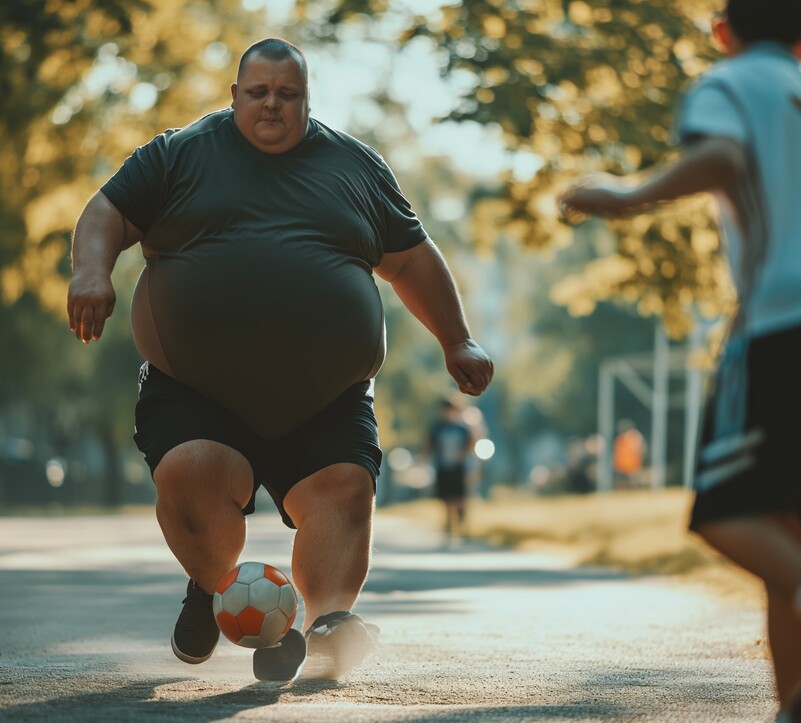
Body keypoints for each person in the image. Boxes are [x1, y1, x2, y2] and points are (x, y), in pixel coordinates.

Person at [67, 37, 494, 682]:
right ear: (234, 95)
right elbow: (107, 211)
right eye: (259, 92)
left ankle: (325, 625)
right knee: (189, 473)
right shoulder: (178, 154)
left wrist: (457, 339)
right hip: (197, 390)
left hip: (326, 396)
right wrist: (90, 273)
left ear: (306, 100)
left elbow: (410, 259)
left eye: (287, 94)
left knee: (345, 489)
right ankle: (218, 587)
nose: (273, 104)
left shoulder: (355, 167)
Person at [559, 2, 801, 723]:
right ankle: (793, 715)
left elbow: (724, 157)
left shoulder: (729, 84)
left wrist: (628, 197)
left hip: (793, 321)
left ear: (721, 31)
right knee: (787, 532)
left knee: (725, 515)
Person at [426, 395, 476, 539]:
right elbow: (429, 444)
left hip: (459, 466)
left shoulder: (462, 428)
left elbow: (470, 444)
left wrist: (462, 457)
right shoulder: (437, 427)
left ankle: (462, 521)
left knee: (460, 496)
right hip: (443, 465)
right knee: (446, 497)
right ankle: (448, 523)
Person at [612, 419, 645, 489]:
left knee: (633, 484)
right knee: (621, 485)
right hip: (621, 467)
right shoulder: (620, 439)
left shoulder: (635, 438)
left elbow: (639, 451)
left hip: (633, 467)